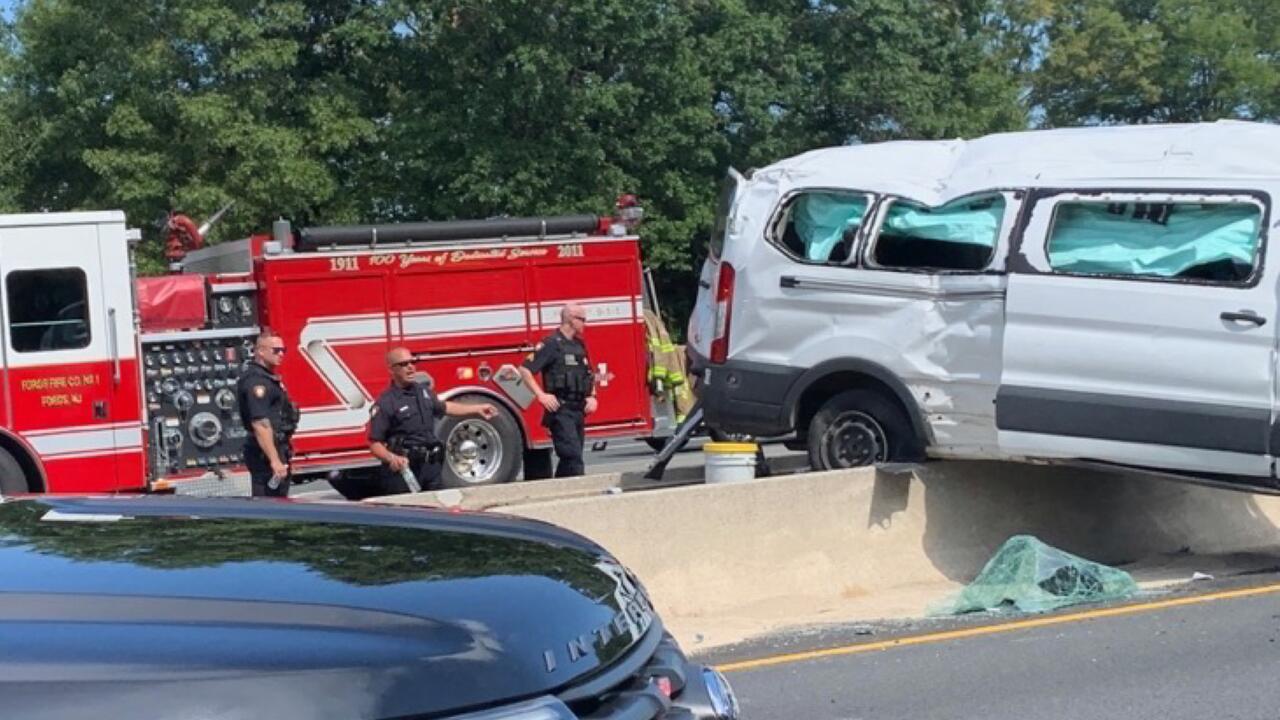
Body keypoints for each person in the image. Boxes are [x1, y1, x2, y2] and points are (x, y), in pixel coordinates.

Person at [365, 347, 499, 496]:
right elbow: (374, 443)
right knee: (410, 514)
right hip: (405, 470)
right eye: (403, 364)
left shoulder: (423, 392)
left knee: (436, 512)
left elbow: (444, 407)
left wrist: (476, 409)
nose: (410, 367)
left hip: (431, 467)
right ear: (392, 370)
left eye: (412, 362)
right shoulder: (386, 402)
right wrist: (392, 458)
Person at [520, 303, 598, 478]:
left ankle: (559, 487)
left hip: (578, 409)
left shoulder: (579, 345)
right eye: (582, 320)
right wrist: (541, 395)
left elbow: (589, 373)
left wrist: (592, 396)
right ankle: (573, 491)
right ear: (571, 319)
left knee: (573, 456)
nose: (585, 324)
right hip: (560, 410)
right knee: (572, 456)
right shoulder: (551, 344)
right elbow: (525, 370)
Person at [236, 330, 299, 497]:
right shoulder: (257, 382)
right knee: (269, 502)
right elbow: (260, 424)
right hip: (263, 453)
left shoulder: (268, 378)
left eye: (283, 350)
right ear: (260, 351)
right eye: (276, 350)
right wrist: (274, 460)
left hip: (275, 447)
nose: (281, 354)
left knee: (279, 498)